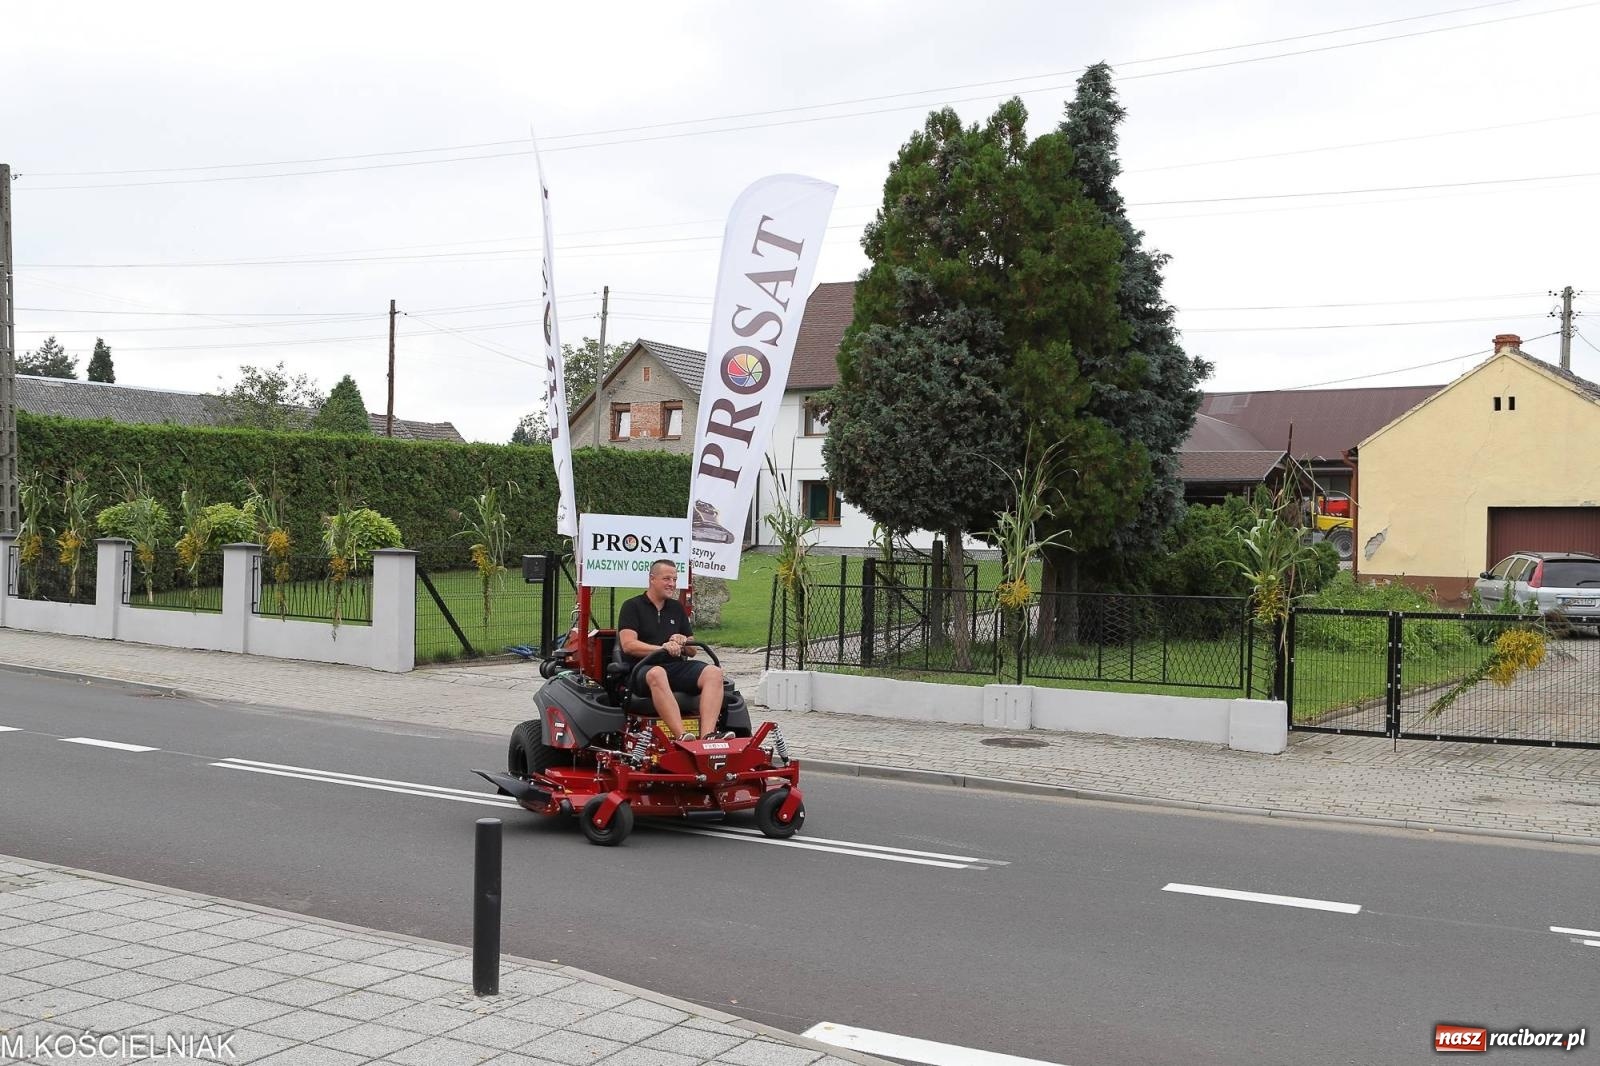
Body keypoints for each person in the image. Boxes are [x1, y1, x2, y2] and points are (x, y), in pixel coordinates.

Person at [616, 559, 726, 741]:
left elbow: (692, 651)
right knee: (657, 673)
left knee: (714, 672)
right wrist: (662, 648)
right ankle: (683, 737)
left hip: (674, 669)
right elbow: (629, 645)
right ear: (652, 579)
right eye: (667, 579)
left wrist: (683, 642)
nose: (672, 584)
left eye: (675, 579)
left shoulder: (676, 608)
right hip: (642, 669)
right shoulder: (632, 606)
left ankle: (708, 737)